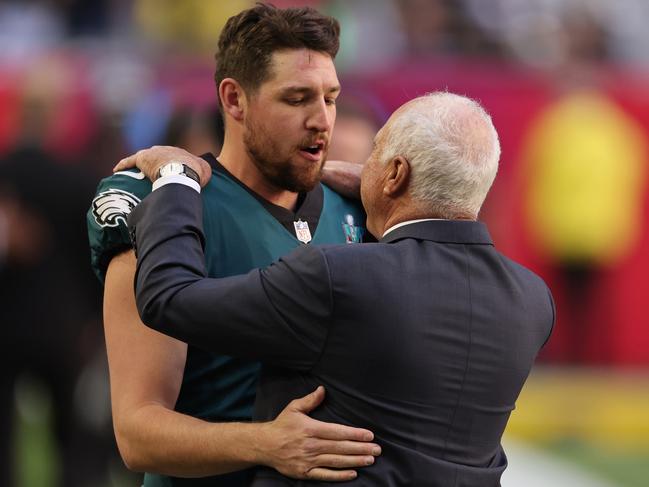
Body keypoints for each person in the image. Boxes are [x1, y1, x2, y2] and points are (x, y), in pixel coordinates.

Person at [121, 92, 555, 486]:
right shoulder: (533, 300)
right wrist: (384, 192)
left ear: (395, 174)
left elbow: (169, 298)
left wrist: (176, 179)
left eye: (377, 154)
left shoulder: (337, 277)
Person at [86, 4, 380, 486]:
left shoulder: (354, 207)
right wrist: (268, 443)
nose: (322, 120)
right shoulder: (168, 207)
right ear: (235, 100)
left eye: (330, 98)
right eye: (296, 98)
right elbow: (138, 432)